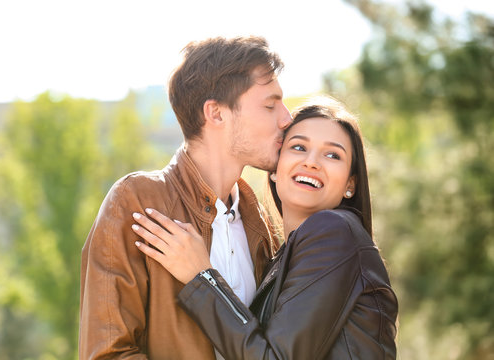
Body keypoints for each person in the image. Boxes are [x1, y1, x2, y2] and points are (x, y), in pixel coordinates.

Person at [132, 96, 399, 359]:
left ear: (350, 184)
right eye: (298, 147)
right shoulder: (283, 258)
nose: (312, 162)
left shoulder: (336, 232)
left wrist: (202, 277)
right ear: (274, 167)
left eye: (332, 154)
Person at [78, 36, 292, 359]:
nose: (286, 118)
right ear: (216, 113)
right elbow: (108, 353)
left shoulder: (260, 223)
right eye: (269, 105)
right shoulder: (138, 204)